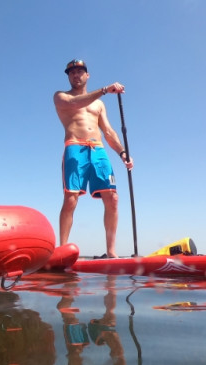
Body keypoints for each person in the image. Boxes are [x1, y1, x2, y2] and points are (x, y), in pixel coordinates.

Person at [54, 59, 134, 257]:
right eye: (72, 72)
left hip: (98, 150)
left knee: (113, 198)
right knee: (71, 198)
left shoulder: (99, 104)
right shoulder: (61, 96)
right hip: (75, 148)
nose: (76, 75)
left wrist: (123, 153)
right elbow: (76, 103)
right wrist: (105, 89)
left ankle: (111, 252)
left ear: (87, 75)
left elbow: (108, 131)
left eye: (80, 71)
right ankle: (62, 249)